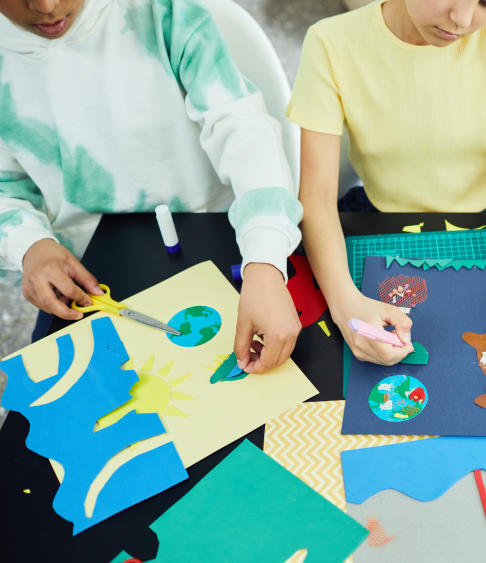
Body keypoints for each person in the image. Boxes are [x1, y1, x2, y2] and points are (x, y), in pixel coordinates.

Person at [288, 0, 486, 377]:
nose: (461, 19)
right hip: (384, 214)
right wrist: (345, 306)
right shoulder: (330, 42)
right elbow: (315, 196)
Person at [0, 0, 302, 372]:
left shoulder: (164, 14)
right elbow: (5, 192)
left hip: (222, 241)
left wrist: (265, 263)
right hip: (84, 271)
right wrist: (29, 245)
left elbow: (248, 137)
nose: (46, 6)